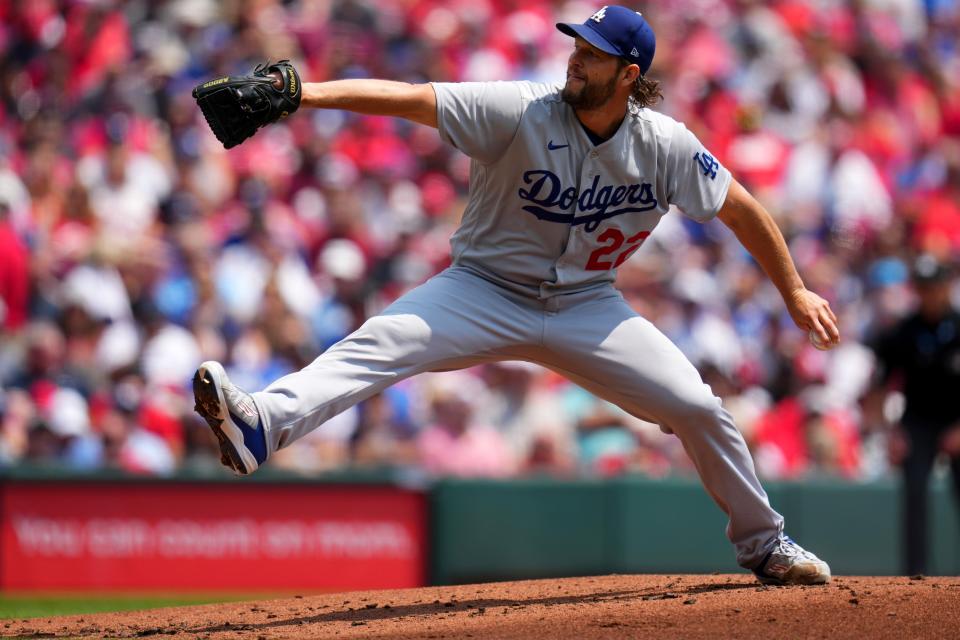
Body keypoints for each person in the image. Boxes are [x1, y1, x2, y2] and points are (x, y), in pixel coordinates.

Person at [192, 6, 840, 585]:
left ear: (628, 74)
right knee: (382, 342)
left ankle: (765, 544)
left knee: (696, 405)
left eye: (592, 54)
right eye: (576, 47)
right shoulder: (524, 108)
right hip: (483, 290)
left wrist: (794, 289)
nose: (575, 59)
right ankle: (262, 426)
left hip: (589, 304)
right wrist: (303, 94)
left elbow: (740, 208)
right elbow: (412, 100)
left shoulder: (663, 144)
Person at [871, 254, 960, 575]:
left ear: (946, 286)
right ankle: (915, 575)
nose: (929, 294)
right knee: (915, 497)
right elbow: (880, 387)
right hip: (918, 422)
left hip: (955, 420)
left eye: (934, 286)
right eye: (923, 288)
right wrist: (890, 432)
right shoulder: (904, 331)